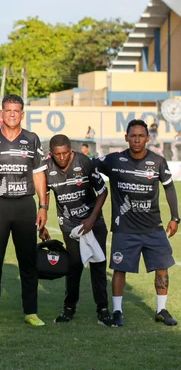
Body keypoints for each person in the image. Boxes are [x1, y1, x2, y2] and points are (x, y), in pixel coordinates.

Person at [93, 119, 179, 327]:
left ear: (148, 139)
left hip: (153, 228)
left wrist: (175, 218)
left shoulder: (158, 162)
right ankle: (118, 312)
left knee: (162, 268)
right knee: (119, 269)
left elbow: (169, 188)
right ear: (126, 137)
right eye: (133, 135)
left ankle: (161, 309)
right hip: (125, 228)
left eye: (141, 136)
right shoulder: (114, 160)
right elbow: (90, 165)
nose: (137, 139)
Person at [0, 94, 48, 327]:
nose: (12, 114)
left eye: (16, 111)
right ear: (1, 113)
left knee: (27, 260)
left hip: (25, 206)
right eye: (8, 110)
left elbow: (38, 174)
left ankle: (31, 311)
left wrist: (43, 206)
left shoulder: (32, 139)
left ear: (22, 114)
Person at [39, 134, 112, 326]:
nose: (62, 158)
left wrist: (92, 219)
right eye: (57, 154)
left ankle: (103, 310)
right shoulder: (46, 167)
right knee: (74, 266)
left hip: (93, 222)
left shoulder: (85, 162)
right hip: (69, 224)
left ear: (70, 150)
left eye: (65, 153)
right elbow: (43, 194)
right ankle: (69, 308)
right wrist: (42, 222)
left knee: (98, 266)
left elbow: (103, 191)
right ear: (51, 153)